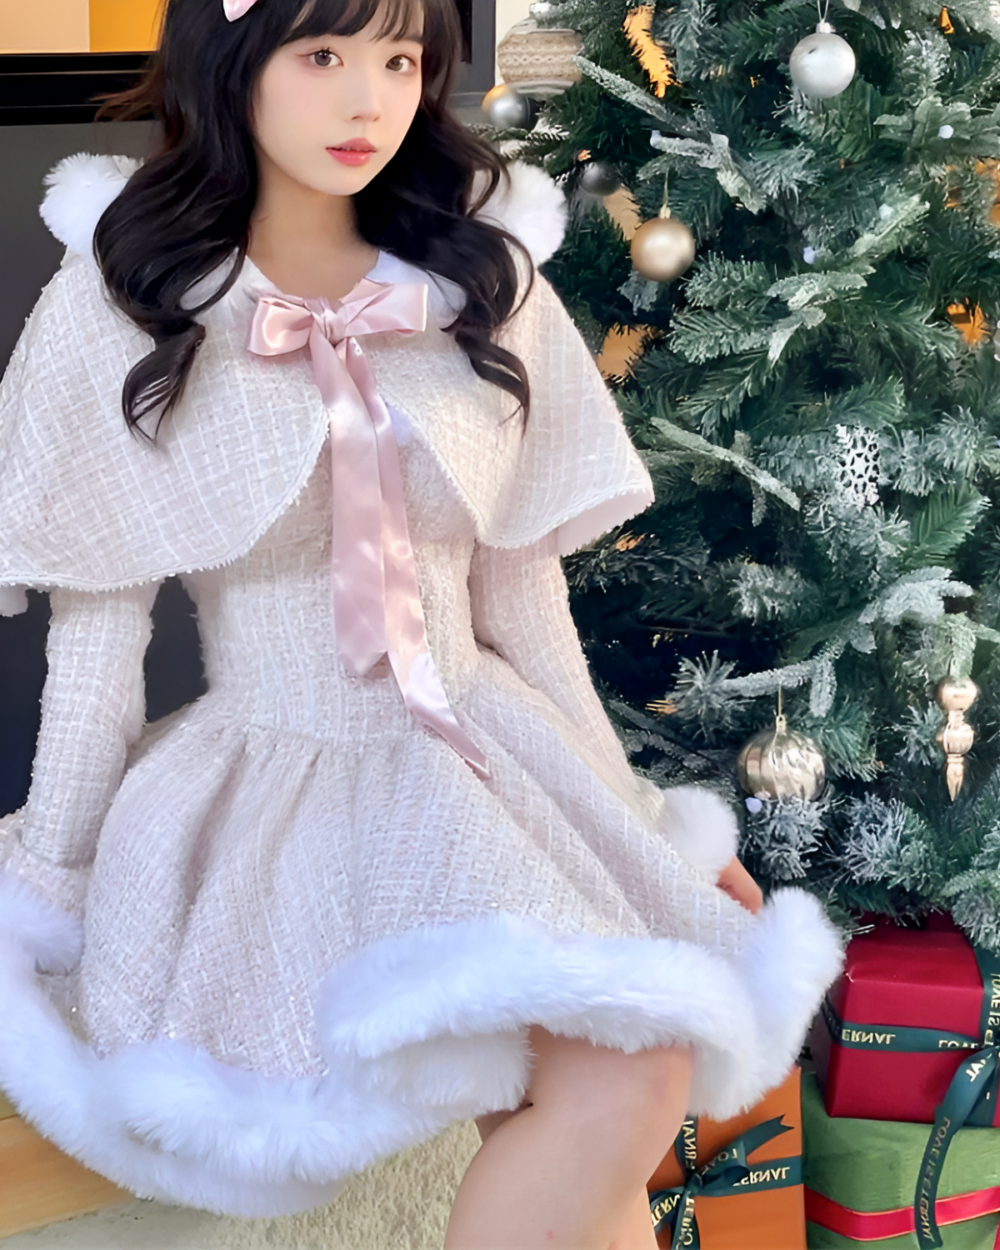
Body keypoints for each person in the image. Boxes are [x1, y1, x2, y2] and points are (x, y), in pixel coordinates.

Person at [0, 0, 842, 1245]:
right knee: (614, 1085)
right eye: (322, 55)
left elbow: (524, 604)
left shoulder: (477, 278)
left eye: (400, 60)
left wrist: (634, 821)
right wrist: (49, 884)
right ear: (231, 64)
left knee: (627, 1071)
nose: (370, 100)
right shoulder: (124, 296)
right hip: (278, 787)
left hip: (481, 755)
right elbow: (95, 648)